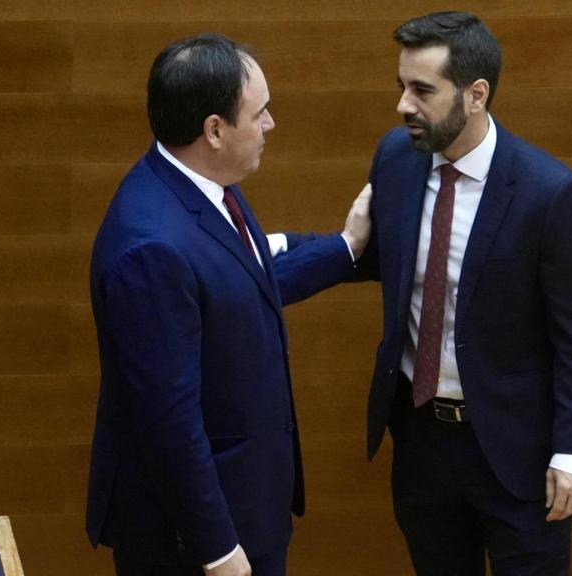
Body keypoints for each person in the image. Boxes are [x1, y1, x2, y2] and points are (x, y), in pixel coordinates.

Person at [84, 33, 371, 576]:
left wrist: (347, 249)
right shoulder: (152, 247)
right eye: (259, 113)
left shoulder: (197, 186)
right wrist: (217, 548)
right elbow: (168, 419)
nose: (270, 125)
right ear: (214, 129)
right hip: (195, 542)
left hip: (246, 508)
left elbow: (243, 284)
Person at [355, 12, 572, 576]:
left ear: (475, 94)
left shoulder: (551, 195)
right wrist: (268, 249)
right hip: (422, 443)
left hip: (519, 454)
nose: (403, 106)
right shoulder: (396, 159)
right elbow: (372, 255)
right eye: (401, 87)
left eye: (422, 90)